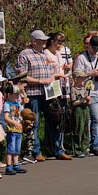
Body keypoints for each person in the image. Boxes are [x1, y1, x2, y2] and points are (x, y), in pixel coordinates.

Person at [14, 30, 57, 163]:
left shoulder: (45, 54)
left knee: (53, 118)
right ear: (34, 41)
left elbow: (50, 70)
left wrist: (51, 78)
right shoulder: (25, 54)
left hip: (47, 92)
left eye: (45, 40)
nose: (45, 42)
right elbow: (23, 75)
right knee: (34, 122)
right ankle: (35, 150)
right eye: (41, 40)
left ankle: (53, 148)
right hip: (33, 93)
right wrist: (39, 81)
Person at [74, 35, 98, 157]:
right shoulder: (81, 58)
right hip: (91, 92)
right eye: (94, 48)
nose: (96, 51)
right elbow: (77, 75)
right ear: (89, 46)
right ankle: (94, 144)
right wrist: (91, 73)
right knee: (95, 119)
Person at [1, 85, 26, 175]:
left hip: (18, 129)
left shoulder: (18, 104)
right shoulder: (7, 104)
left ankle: (16, 164)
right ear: (9, 95)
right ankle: (9, 165)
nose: (17, 97)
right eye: (15, 95)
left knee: (17, 147)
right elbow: (6, 118)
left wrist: (23, 99)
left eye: (18, 95)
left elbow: (21, 113)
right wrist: (14, 123)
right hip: (11, 128)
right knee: (11, 147)